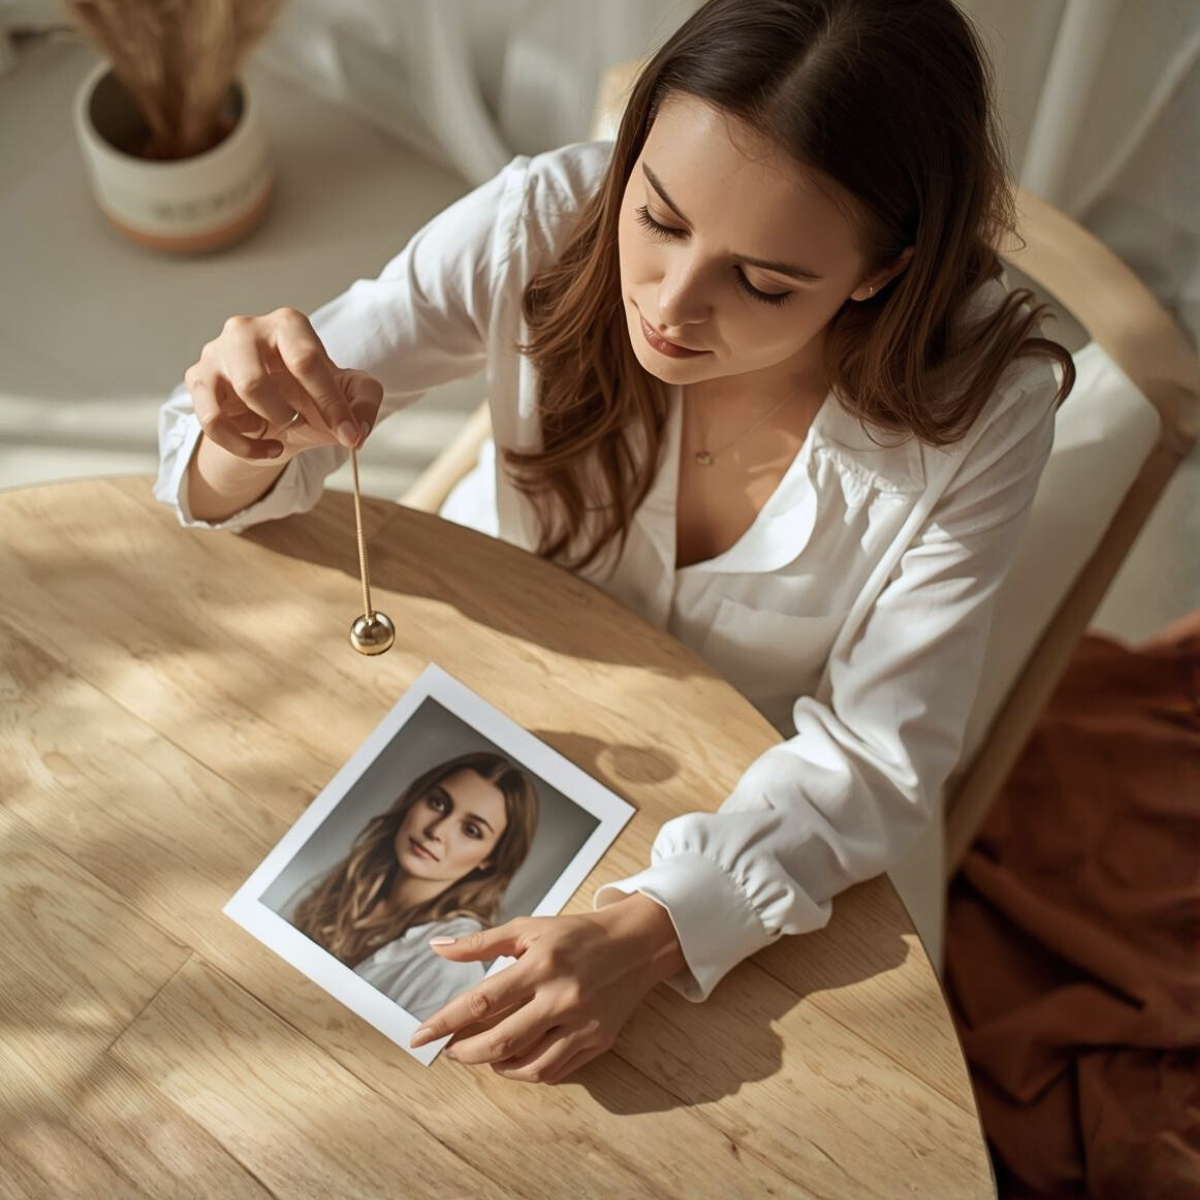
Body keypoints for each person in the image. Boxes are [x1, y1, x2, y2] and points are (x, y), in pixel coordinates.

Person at [156, 0, 1075, 1085]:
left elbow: (878, 754)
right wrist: (243, 429)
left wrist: (651, 934)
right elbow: (213, 479)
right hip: (482, 685)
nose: (672, 305)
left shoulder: (986, 409)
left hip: (736, 790)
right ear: (632, 156)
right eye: (660, 217)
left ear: (880, 273)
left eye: (765, 282)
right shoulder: (543, 217)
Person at [284, 753, 539, 1023]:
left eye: (471, 830)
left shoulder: (450, 971)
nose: (437, 830)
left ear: (491, 858)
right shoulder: (345, 885)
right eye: (438, 803)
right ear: (413, 800)